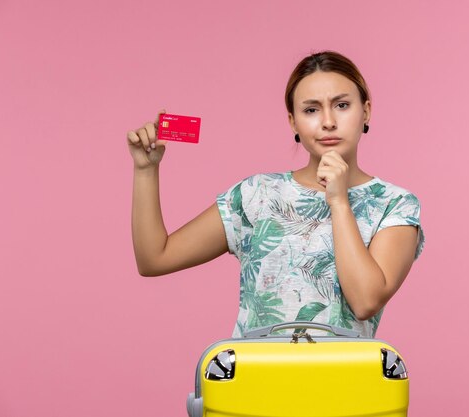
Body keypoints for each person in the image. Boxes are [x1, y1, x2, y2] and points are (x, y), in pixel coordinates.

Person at [127, 50, 425, 338]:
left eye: (342, 105)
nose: (328, 122)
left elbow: (365, 301)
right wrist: (145, 170)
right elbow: (155, 259)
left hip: (343, 384)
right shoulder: (258, 193)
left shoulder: (394, 204)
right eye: (310, 110)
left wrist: (339, 202)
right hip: (254, 383)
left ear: (366, 111)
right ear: (293, 122)